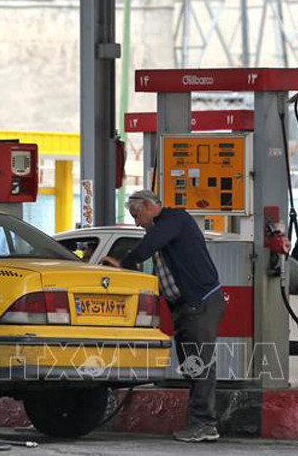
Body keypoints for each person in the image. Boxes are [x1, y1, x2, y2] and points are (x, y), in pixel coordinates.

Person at [101, 190, 225, 443]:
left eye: (137, 215)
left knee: (201, 364)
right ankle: (201, 422)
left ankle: (204, 424)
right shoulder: (161, 228)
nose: (136, 222)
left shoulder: (174, 220)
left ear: (148, 205)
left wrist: (123, 262)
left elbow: (147, 246)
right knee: (192, 366)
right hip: (184, 306)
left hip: (199, 301)